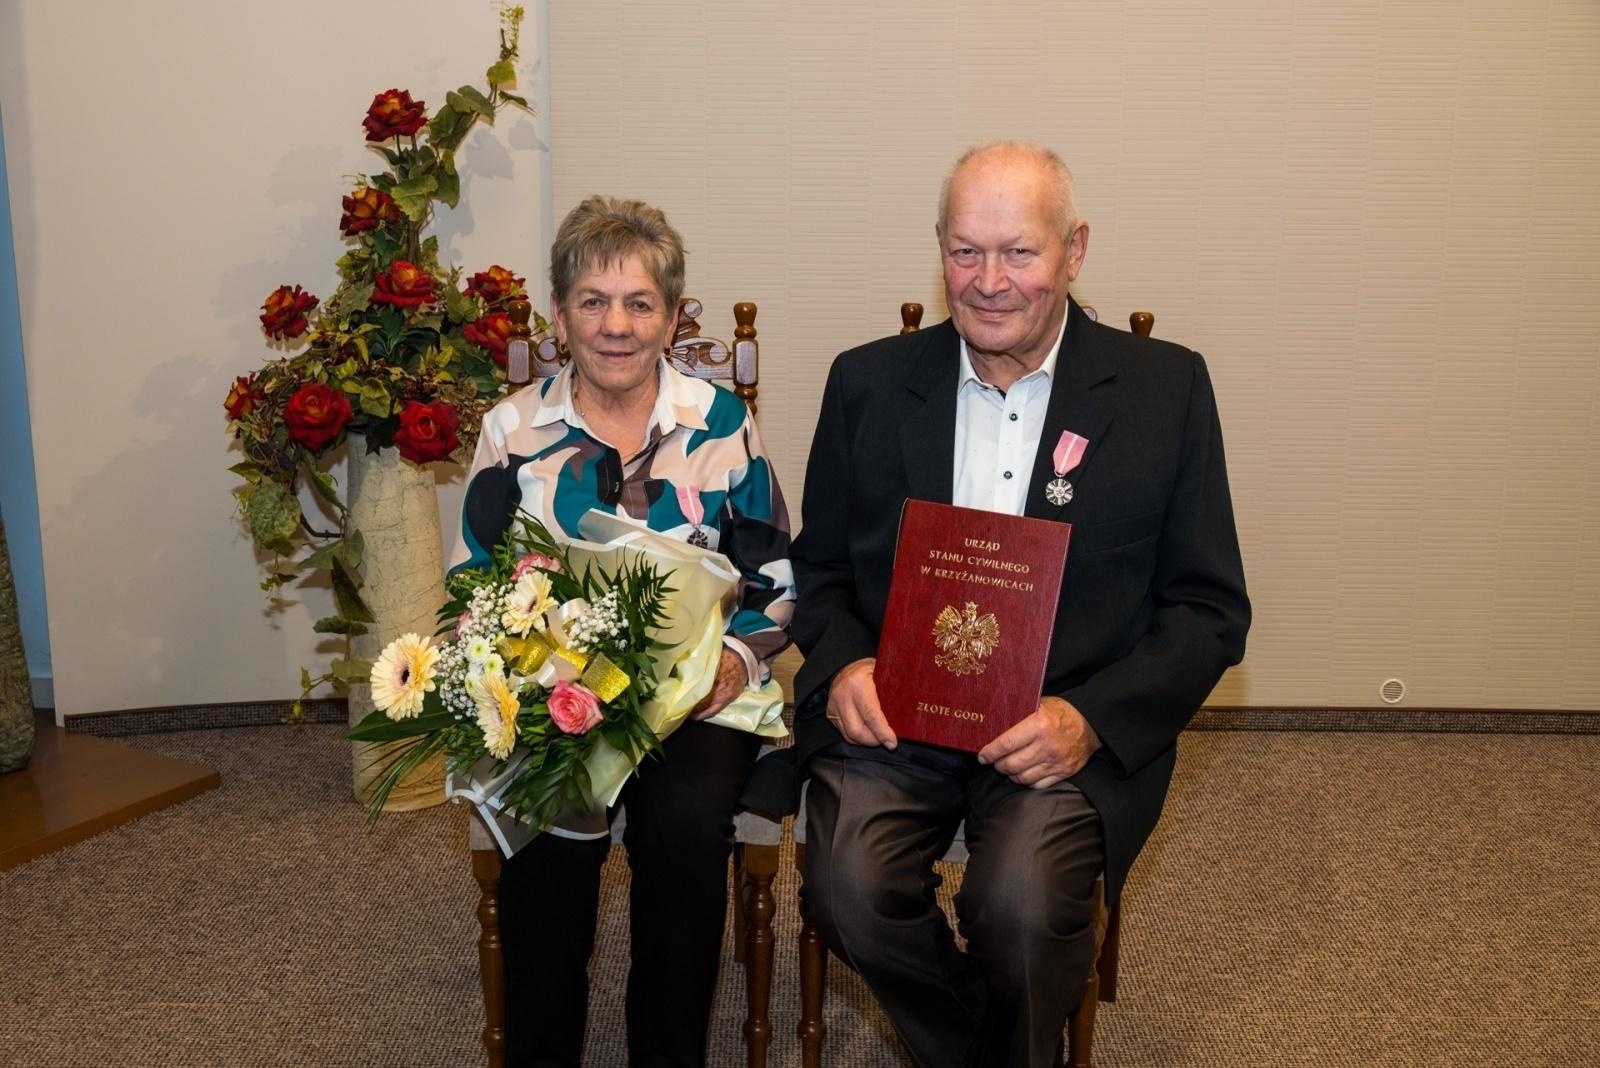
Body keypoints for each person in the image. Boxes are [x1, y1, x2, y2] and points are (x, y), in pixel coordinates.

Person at [789, 142, 1251, 1067]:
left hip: (1060, 731)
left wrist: (1088, 719)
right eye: (965, 252)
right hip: (898, 721)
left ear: (1074, 249)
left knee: (1024, 905)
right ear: (939, 251)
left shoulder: (1166, 392)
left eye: (1019, 252)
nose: (989, 282)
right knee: (842, 886)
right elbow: (824, 571)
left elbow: (1209, 610)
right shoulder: (868, 383)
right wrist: (842, 664)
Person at [451, 195, 794, 1067]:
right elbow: (470, 585)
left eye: (639, 303)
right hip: (554, 698)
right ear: (559, 313)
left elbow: (777, 579)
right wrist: (521, 671)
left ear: (672, 318)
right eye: (593, 301)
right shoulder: (512, 431)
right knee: (551, 842)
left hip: (693, 699)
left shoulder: (721, 425)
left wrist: (737, 654)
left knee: (683, 834)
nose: (616, 325)